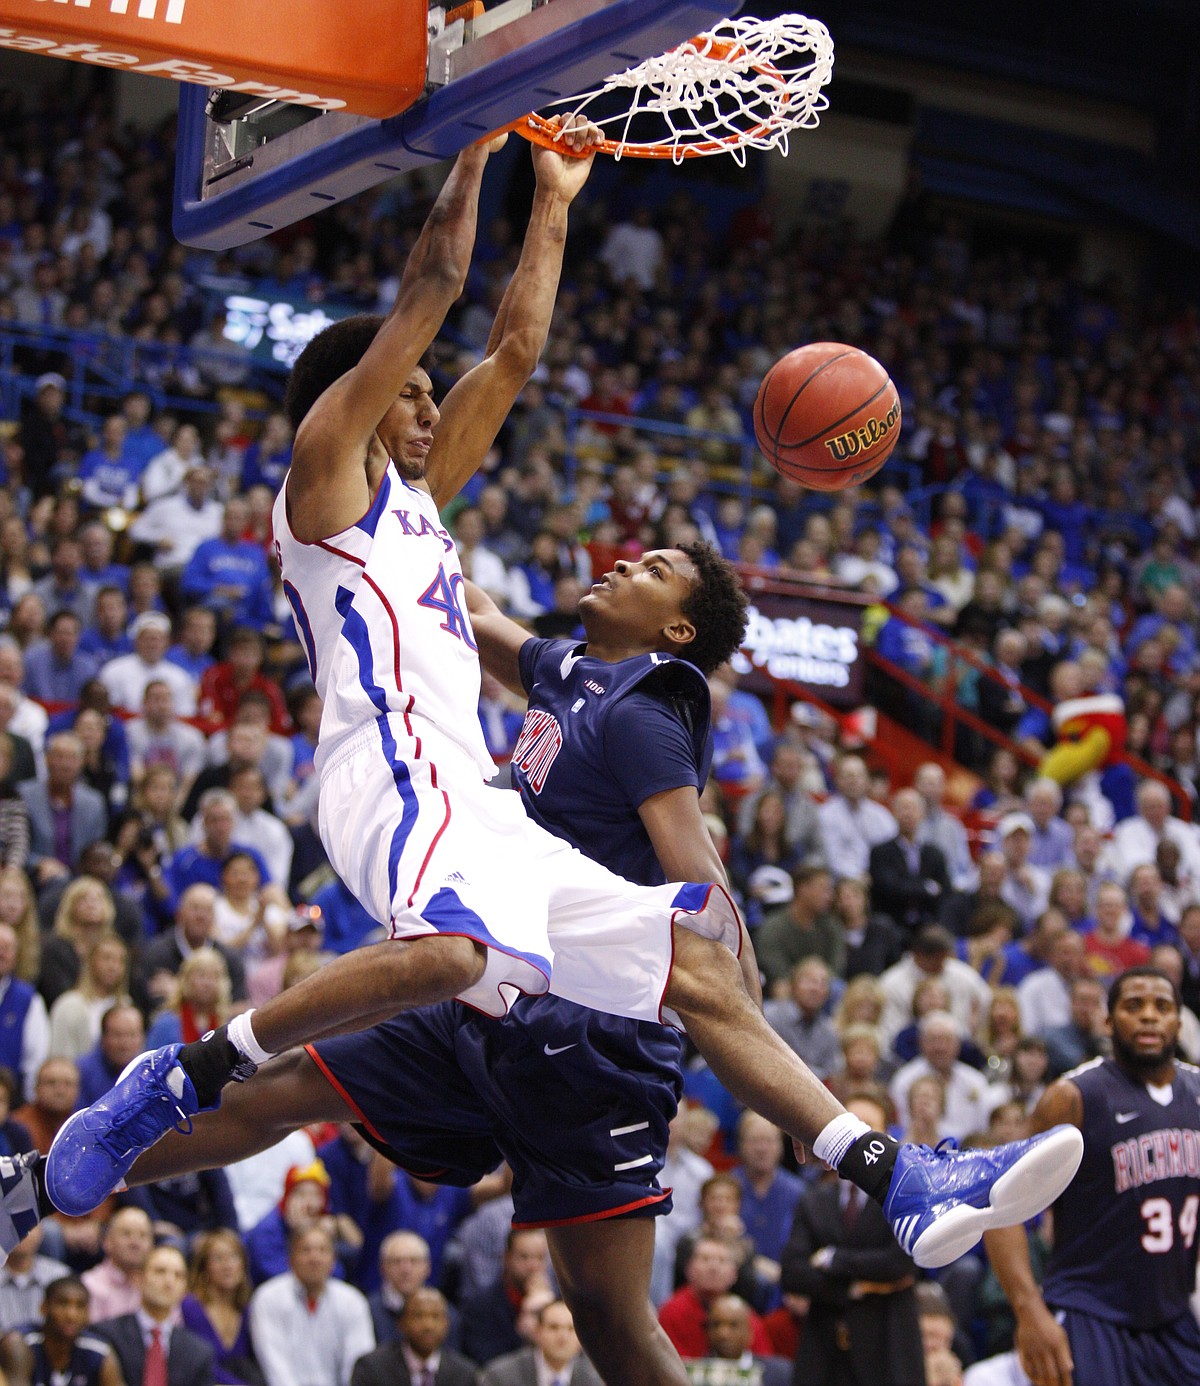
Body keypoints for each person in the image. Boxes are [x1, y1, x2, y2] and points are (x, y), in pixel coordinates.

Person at [20, 130, 1078, 1379]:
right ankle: (179, 1073)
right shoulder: (320, 485)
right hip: (385, 775)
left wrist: (559, 200)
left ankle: (892, 1173)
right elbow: (429, 295)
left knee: (692, 965)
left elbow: (515, 349)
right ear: (358, 394)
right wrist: (473, 145)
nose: (431, 402)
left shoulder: (421, 510)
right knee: (452, 956)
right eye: (410, 390)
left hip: (473, 800)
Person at [985, 967, 1200, 1385]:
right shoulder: (1075, 1097)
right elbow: (999, 1207)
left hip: (1171, 1315)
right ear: (1108, 1021)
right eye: (1133, 1006)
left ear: (1178, 1020)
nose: (1149, 1017)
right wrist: (1030, 1311)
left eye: (1162, 1007)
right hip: (1090, 1314)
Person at [781, 1091, 924, 1386]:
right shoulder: (814, 1200)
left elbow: (902, 1263)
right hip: (823, 1345)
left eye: (868, 1126)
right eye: (851, 1126)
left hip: (888, 1341)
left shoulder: (904, 1195)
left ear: (885, 1137)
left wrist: (834, 1260)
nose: (858, 1139)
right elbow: (793, 1273)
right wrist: (854, 1288)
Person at [248, 1225, 374, 1386]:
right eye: (305, 1250)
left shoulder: (352, 1301)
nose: (314, 1258)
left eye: (322, 1250)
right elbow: (275, 1365)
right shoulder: (268, 1298)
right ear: (291, 1257)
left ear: (333, 1260)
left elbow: (357, 1362)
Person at [94, 1245, 214, 1386]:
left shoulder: (198, 1352)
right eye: (160, 1271)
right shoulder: (107, 1335)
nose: (169, 1282)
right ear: (139, 1279)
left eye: (178, 1275)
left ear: (185, 1289)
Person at [0, 1274, 122, 1386]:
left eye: (80, 1306)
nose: (71, 1315)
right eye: (62, 1304)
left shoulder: (99, 1350)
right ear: (44, 1307)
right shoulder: (20, 1342)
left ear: (88, 1313)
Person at [180, 1229, 261, 1386]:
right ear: (205, 1266)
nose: (227, 1265)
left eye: (234, 1256)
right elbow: (198, 1364)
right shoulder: (190, 1307)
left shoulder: (248, 1309)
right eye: (218, 1258)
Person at [350, 1287, 475, 1386]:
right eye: (418, 1316)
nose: (428, 1325)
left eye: (436, 1317)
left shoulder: (464, 1375)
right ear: (401, 1324)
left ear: (446, 1324)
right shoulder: (371, 1369)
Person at [684, 1293, 791, 1386]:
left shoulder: (779, 1374)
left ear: (749, 1332)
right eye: (716, 1325)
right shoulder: (690, 1374)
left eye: (733, 1325)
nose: (723, 1334)